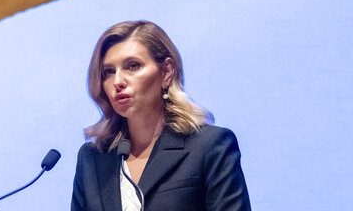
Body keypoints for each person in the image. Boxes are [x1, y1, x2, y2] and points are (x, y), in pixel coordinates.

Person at [71, 21, 250, 211]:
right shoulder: (92, 159)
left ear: (166, 72)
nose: (117, 81)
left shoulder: (209, 146)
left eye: (132, 66)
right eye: (108, 72)